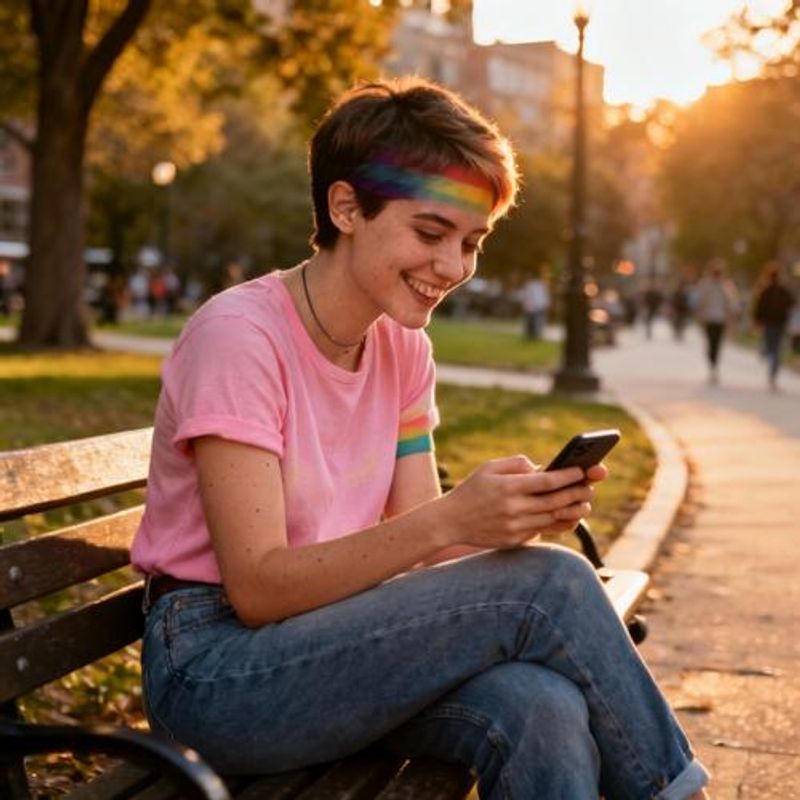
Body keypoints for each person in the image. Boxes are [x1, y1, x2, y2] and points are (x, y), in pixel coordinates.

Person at [132, 78, 710, 800]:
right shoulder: (238, 339)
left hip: (334, 643)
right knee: (553, 584)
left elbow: (427, 540)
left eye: (472, 243)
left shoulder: (404, 349)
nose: (454, 267)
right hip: (217, 671)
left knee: (542, 707)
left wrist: (514, 519)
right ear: (346, 207)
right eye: (431, 234)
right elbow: (257, 587)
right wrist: (454, 519)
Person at [693, 259, 740, 384]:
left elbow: (731, 304)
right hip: (709, 319)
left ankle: (714, 367)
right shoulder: (705, 285)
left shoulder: (726, 286)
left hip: (720, 320)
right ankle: (712, 365)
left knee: (716, 344)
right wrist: (700, 315)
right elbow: (700, 302)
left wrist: (731, 318)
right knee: (710, 343)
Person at [752, 261, 795, 390]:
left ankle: (771, 367)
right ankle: (772, 367)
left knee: (772, 346)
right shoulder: (781, 290)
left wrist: (757, 320)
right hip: (778, 322)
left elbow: (759, 307)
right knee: (775, 348)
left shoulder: (768, 290)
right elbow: (791, 304)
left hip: (772, 323)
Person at [521, 263, 551, 339]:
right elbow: (529, 297)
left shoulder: (542, 284)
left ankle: (536, 336)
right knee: (532, 323)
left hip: (539, 307)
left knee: (538, 323)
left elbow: (544, 296)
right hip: (534, 307)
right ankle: (531, 336)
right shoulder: (532, 284)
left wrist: (546, 303)